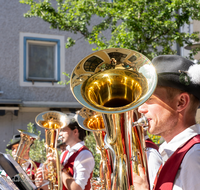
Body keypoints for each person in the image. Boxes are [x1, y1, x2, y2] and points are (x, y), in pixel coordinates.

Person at [133, 55, 200, 190]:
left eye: (150, 99)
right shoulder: (170, 151)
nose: (141, 108)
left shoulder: (194, 158)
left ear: (181, 102)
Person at [35, 114, 95, 190]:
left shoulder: (85, 154)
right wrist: (43, 181)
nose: (60, 133)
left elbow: (78, 188)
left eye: (63, 130)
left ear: (75, 131)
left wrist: (59, 168)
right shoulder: (65, 153)